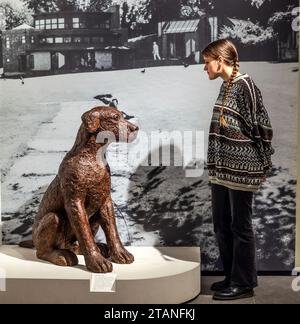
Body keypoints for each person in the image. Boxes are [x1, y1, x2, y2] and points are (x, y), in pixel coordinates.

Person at [202, 39, 274, 301]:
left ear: (220, 60)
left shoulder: (246, 85)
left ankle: (243, 283)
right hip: (222, 170)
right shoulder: (225, 85)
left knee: (240, 226)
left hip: (242, 168)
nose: (204, 68)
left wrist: (264, 162)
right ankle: (232, 276)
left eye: (206, 62)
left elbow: (262, 125)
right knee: (221, 224)